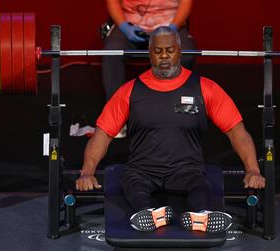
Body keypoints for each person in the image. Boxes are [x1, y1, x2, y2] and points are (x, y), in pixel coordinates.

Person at [76, 26, 265, 233]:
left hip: (185, 169)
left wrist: (252, 170)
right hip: (142, 170)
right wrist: (87, 173)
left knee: (199, 185)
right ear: (150, 54)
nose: (164, 56)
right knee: (133, 184)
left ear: (179, 50)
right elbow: (102, 136)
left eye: (170, 50)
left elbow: (236, 132)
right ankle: (147, 214)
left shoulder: (205, 88)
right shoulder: (129, 91)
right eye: (158, 51)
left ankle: (201, 215)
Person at [102, 0, 197, 138]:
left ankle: (177, 112)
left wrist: (173, 27)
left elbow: (186, 2)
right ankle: (116, 118)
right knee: (112, 52)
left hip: (170, 25)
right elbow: (113, 2)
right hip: (131, 25)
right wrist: (124, 27)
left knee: (187, 54)